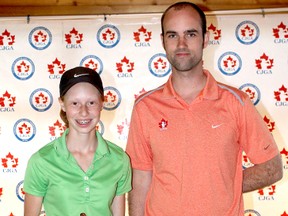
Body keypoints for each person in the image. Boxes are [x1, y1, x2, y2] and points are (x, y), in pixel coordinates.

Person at [126, 2, 283, 215]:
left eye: (190, 34)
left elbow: (271, 169)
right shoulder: (145, 107)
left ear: (205, 39)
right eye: (173, 35)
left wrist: (224, 185)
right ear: (163, 41)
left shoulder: (237, 102)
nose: (181, 44)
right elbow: (140, 178)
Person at [23, 66, 132, 216]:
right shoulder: (41, 161)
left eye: (91, 103)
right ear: (62, 104)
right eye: (75, 103)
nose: (84, 112)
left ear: (102, 103)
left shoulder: (119, 160)